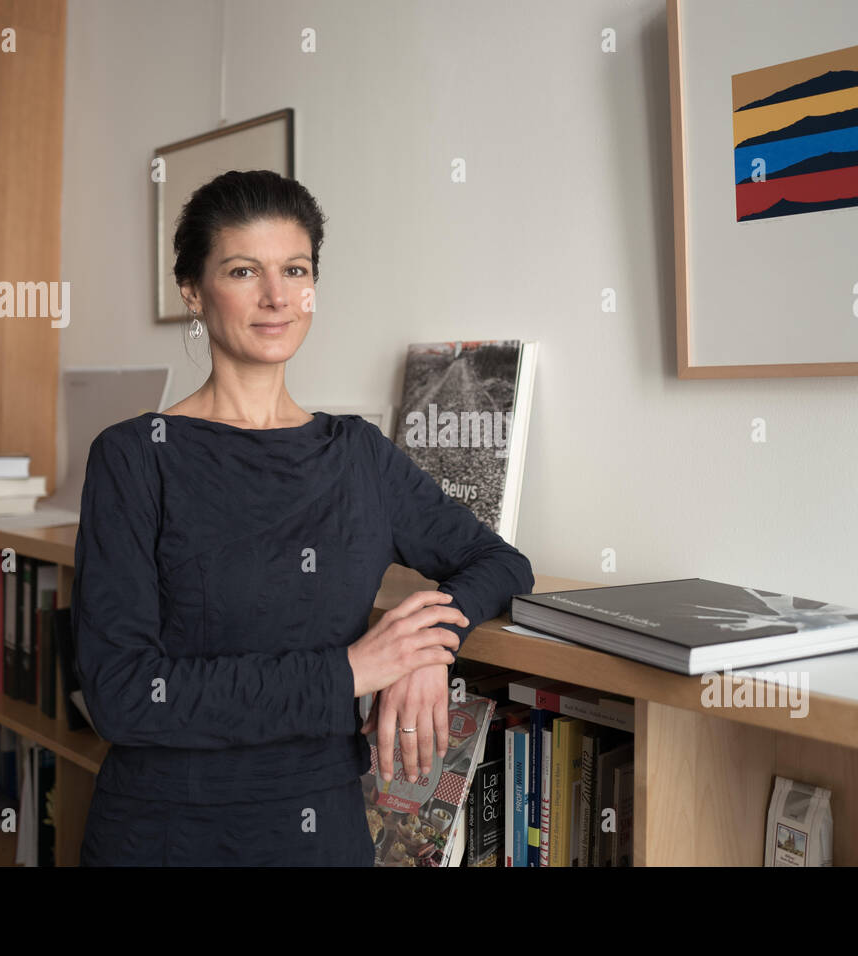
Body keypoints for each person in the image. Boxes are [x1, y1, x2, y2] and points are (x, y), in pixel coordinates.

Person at [72, 169, 535, 866]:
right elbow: (123, 695)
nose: (276, 296)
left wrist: (428, 645)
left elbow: (501, 563)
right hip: (166, 833)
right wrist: (349, 671)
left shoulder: (357, 456)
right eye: (242, 270)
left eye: (295, 269)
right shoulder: (136, 458)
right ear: (193, 292)